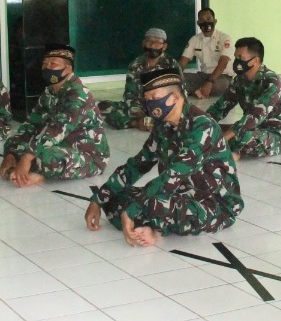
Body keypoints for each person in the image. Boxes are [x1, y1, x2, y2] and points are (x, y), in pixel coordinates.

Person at [85, 68, 243, 246]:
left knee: (152, 204)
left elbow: (173, 176)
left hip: (215, 205)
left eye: (154, 97)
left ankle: (156, 230)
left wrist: (132, 210)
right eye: (147, 99)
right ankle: (150, 224)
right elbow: (137, 165)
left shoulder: (202, 127)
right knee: (115, 197)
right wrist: (98, 199)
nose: (150, 103)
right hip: (178, 194)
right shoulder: (163, 126)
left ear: (174, 97)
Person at [1, 43, 110, 188]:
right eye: (45, 64)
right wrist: (10, 155)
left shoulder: (78, 94)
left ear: (68, 69)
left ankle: (37, 173)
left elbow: (56, 130)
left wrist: (26, 158)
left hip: (89, 157)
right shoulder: (50, 92)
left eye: (53, 64)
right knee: (14, 141)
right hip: (60, 146)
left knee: (46, 156)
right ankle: (29, 169)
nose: (47, 68)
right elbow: (31, 125)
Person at [205, 37, 281, 160]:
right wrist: (202, 123)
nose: (237, 62)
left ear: (255, 60)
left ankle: (235, 153)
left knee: (241, 137)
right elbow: (220, 107)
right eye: (236, 57)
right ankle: (227, 147)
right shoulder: (239, 80)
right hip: (250, 128)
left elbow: (256, 115)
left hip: (275, 132)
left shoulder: (272, 82)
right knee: (211, 129)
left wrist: (226, 137)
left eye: (241, 58)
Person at [99, 28, 183, 130]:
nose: (152, 46)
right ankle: (138, 123)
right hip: (141, 107)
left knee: (179, 113)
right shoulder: (135, 65)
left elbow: (181, 94)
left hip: (163, 106)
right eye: (149, 42)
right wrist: (140, 117)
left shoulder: (172, 65)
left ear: (164, 46)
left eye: (157, 43)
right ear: (143, 43)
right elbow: (131, 96)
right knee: (103, 106)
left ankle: (141, 122)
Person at [179, 8, 233, 98]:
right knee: (177, 80)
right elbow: (183, 62)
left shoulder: (225, 38)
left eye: (208, 19)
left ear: (215, 21)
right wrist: (174, 77)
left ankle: (193, 91)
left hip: (222, 76)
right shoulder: (194, 40)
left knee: (220, 86)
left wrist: (209, 81)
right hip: (203, 76)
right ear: (198, 23)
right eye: (202, 20)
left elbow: (223, 63)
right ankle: (199, 91)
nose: (206, 22)